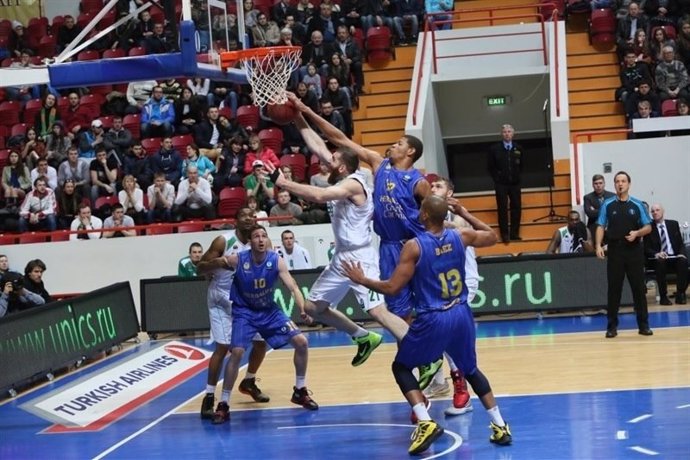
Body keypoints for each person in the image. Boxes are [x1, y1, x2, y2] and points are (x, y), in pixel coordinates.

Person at [284, 92, 439, 384]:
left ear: (410, 153)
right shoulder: (377, 165)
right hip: (370, 251)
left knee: (401, 310)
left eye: (400, 144)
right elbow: (334, 138)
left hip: (406, 247)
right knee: (315, 308)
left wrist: (439, 241)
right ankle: (365, 337)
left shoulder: (413, 182)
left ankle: (434, 361)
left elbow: (434, 215)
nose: (393, 145)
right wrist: (300, 113)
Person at [342, 195, 512, 455]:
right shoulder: (461, 236)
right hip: (461, 313)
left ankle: (425, 421)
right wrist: (464, 212)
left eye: (421, 209)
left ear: (423, 216)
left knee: (400, 367)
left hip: (434, 317)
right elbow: (491, 236)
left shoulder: (414, 246)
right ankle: (500, 425)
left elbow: (392, 287)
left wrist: (361, 279)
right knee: (471, 369)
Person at [265, 125, 410, 368]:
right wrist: (299, 119)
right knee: (313, 307)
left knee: (378, 311)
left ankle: (426, 354)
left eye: (331, 160)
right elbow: (319, 147)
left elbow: (320, 197)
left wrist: (283, 182)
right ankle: (363, 336)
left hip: (360, 257)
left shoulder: (354, 183)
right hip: (342, 258)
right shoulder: (345, 172)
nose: (324, 162)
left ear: (341, 167)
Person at [211, 224, 319, 423]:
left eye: (264, 236)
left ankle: (300, 391)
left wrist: (303, 308)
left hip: (269, 311)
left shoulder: (275, 260)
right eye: (256, 236)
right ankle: (223, 403)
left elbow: (293, 286)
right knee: (236, 352)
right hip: (244, 312)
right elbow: (216, 262)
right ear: (250, 242)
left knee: (302, 342)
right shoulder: (239, 259)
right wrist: (204, 266)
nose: (261, 239)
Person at [195, 208, 270, 420]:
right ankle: (209, 396)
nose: (249, 218)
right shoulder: (223, 241)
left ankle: (249, 381)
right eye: (244, 215)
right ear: (235, 220)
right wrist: (216, 263)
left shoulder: (260, 241)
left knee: (261, 343)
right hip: (221, 299)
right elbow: (199, 269)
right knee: (224, 347)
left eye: (252, 215)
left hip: (247, 300)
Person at [423, 176, 477, 416]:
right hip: (440, 286)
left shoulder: (457, 215)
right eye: (431, 186)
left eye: (438, 186)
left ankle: (461, 387)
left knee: (447, 335)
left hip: (464, 283)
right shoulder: (431, 216)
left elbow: (467, 230)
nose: (433, 188)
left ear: (450, 191)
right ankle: (440, 382)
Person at [595, 171, 653, 338]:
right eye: (617, 181)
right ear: (614, 185)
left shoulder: (637, 204)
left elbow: (648, 227)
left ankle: (644, 325)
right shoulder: (607, 204)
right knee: (614, 290)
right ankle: (611, 327)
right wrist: (598, 245)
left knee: (638, 290)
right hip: (615, 251)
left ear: (629, 184)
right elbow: (600, 225)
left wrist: (637, 233)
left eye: (623, 181)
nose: (620, 184)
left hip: (634, 251)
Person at [644, 203, 688, 305]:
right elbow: (646, 248)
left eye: (657, 210)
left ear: (663, 211)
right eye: (653, 211)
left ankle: (680, 294)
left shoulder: (673, 224)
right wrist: (656, 254)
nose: (655, 213)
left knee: (683, 261)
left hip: (674, 256)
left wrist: (681, 253)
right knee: (660, 263)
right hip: (659, 258)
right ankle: (663, 296)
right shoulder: (649, 227)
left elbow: (681, 243)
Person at [488, 124, 523, 243]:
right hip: (501, 184)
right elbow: (490, 166)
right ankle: (504, 234)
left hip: (515, 183)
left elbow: (522, 165)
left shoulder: (518, 148)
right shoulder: (494, 149)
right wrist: (497, 179)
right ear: (501, 134)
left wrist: (518, 176)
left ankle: (514, 234)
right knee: (502, 208)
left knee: (516, 207)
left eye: (509, 131)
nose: (507, 134)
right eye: (504, 132)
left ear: (513, 133)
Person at [583, 174, 615, 238]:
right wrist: (607, 210)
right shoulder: (588, 197)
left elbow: (614, 212)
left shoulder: (612, 196)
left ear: (604, 184)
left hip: (610, 228)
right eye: (596, 183)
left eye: (600, 183)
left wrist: (595, 210)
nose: (598, 186)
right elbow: (589, 213)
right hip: (594, 229)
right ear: (592, 185)